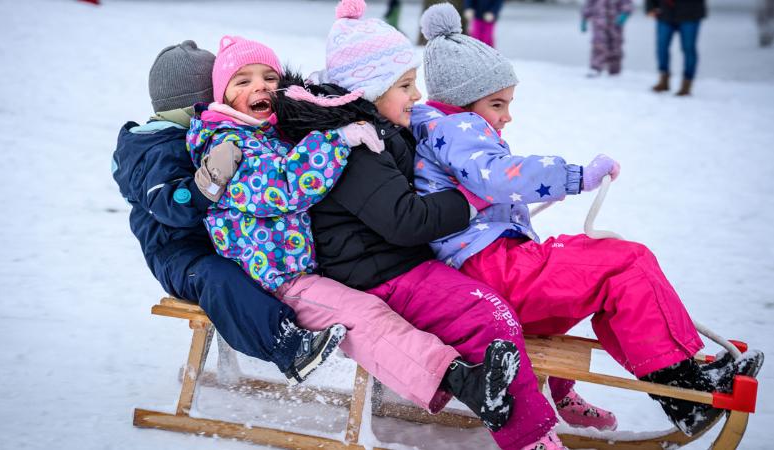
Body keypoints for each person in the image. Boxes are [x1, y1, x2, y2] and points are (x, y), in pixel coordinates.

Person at [411, 4, 765, 449]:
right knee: (625, 263)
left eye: (508, 104)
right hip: (494, 270)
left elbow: (485, 180)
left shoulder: (440, 128)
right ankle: (684, 383)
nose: (506, 116)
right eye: (497, 104)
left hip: (491, 268)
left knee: (611, 273)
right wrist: (575, 176)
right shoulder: (459, 127)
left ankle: (682, 381)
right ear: (462, 102)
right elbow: (500, 173)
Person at [273, 0, 571, 446]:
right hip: (380, 274)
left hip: (398, 263)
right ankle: (530, 435)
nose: (417, 95)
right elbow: (405, 221)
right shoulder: (357, 146)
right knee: (487, 316)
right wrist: (473, 196)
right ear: (369, 91)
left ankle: (550, 403)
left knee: (514, 295)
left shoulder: (383, 128)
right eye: (406, 85)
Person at [186, 33, 522, 425]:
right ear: (221, 97)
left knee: (374, 308)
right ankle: (464, 383)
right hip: (273, 279)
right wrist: (338, 139)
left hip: (302, 269)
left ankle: (466, 376)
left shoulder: (269, 132)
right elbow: (285, 188)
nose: (260, 86)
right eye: (243, 81)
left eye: (269, 77)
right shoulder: (228, 144)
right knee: (364, 316)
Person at [111, 40, 347, 386]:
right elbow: (170, 207)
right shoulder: (152, 147)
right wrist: (209, 181)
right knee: (218, 278)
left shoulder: (197, 134)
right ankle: (287, 346)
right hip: (179, 255)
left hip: (215, 239)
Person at [646, 0, 706, 96]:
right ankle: (663, 79)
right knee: (661, 46)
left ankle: (686, 84)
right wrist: (650, 7)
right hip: (665, 12)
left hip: (691, 13)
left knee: (688, 48)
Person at [581, 0, 633, 76]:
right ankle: (595, 68)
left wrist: (625, 13)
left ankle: (615, 70)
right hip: (599, 21)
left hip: (616, 22)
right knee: (598, 45)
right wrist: (584, 18)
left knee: (615, 46)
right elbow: (589, 4)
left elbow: (627, 2)